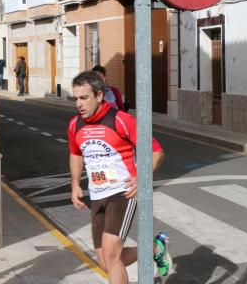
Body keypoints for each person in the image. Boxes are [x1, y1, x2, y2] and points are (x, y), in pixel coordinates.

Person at [67, 71, 172, 284]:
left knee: (112, 254)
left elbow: (156, 150)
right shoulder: (75, 125)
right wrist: (75, 184)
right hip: (97, 195)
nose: (79, 104)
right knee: (104, 260)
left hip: (122, 192)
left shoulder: (121, 120)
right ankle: (154, 248)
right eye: (76, 98)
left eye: (84, 98)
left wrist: (142, 177)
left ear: (99, 95)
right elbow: (76, 153)